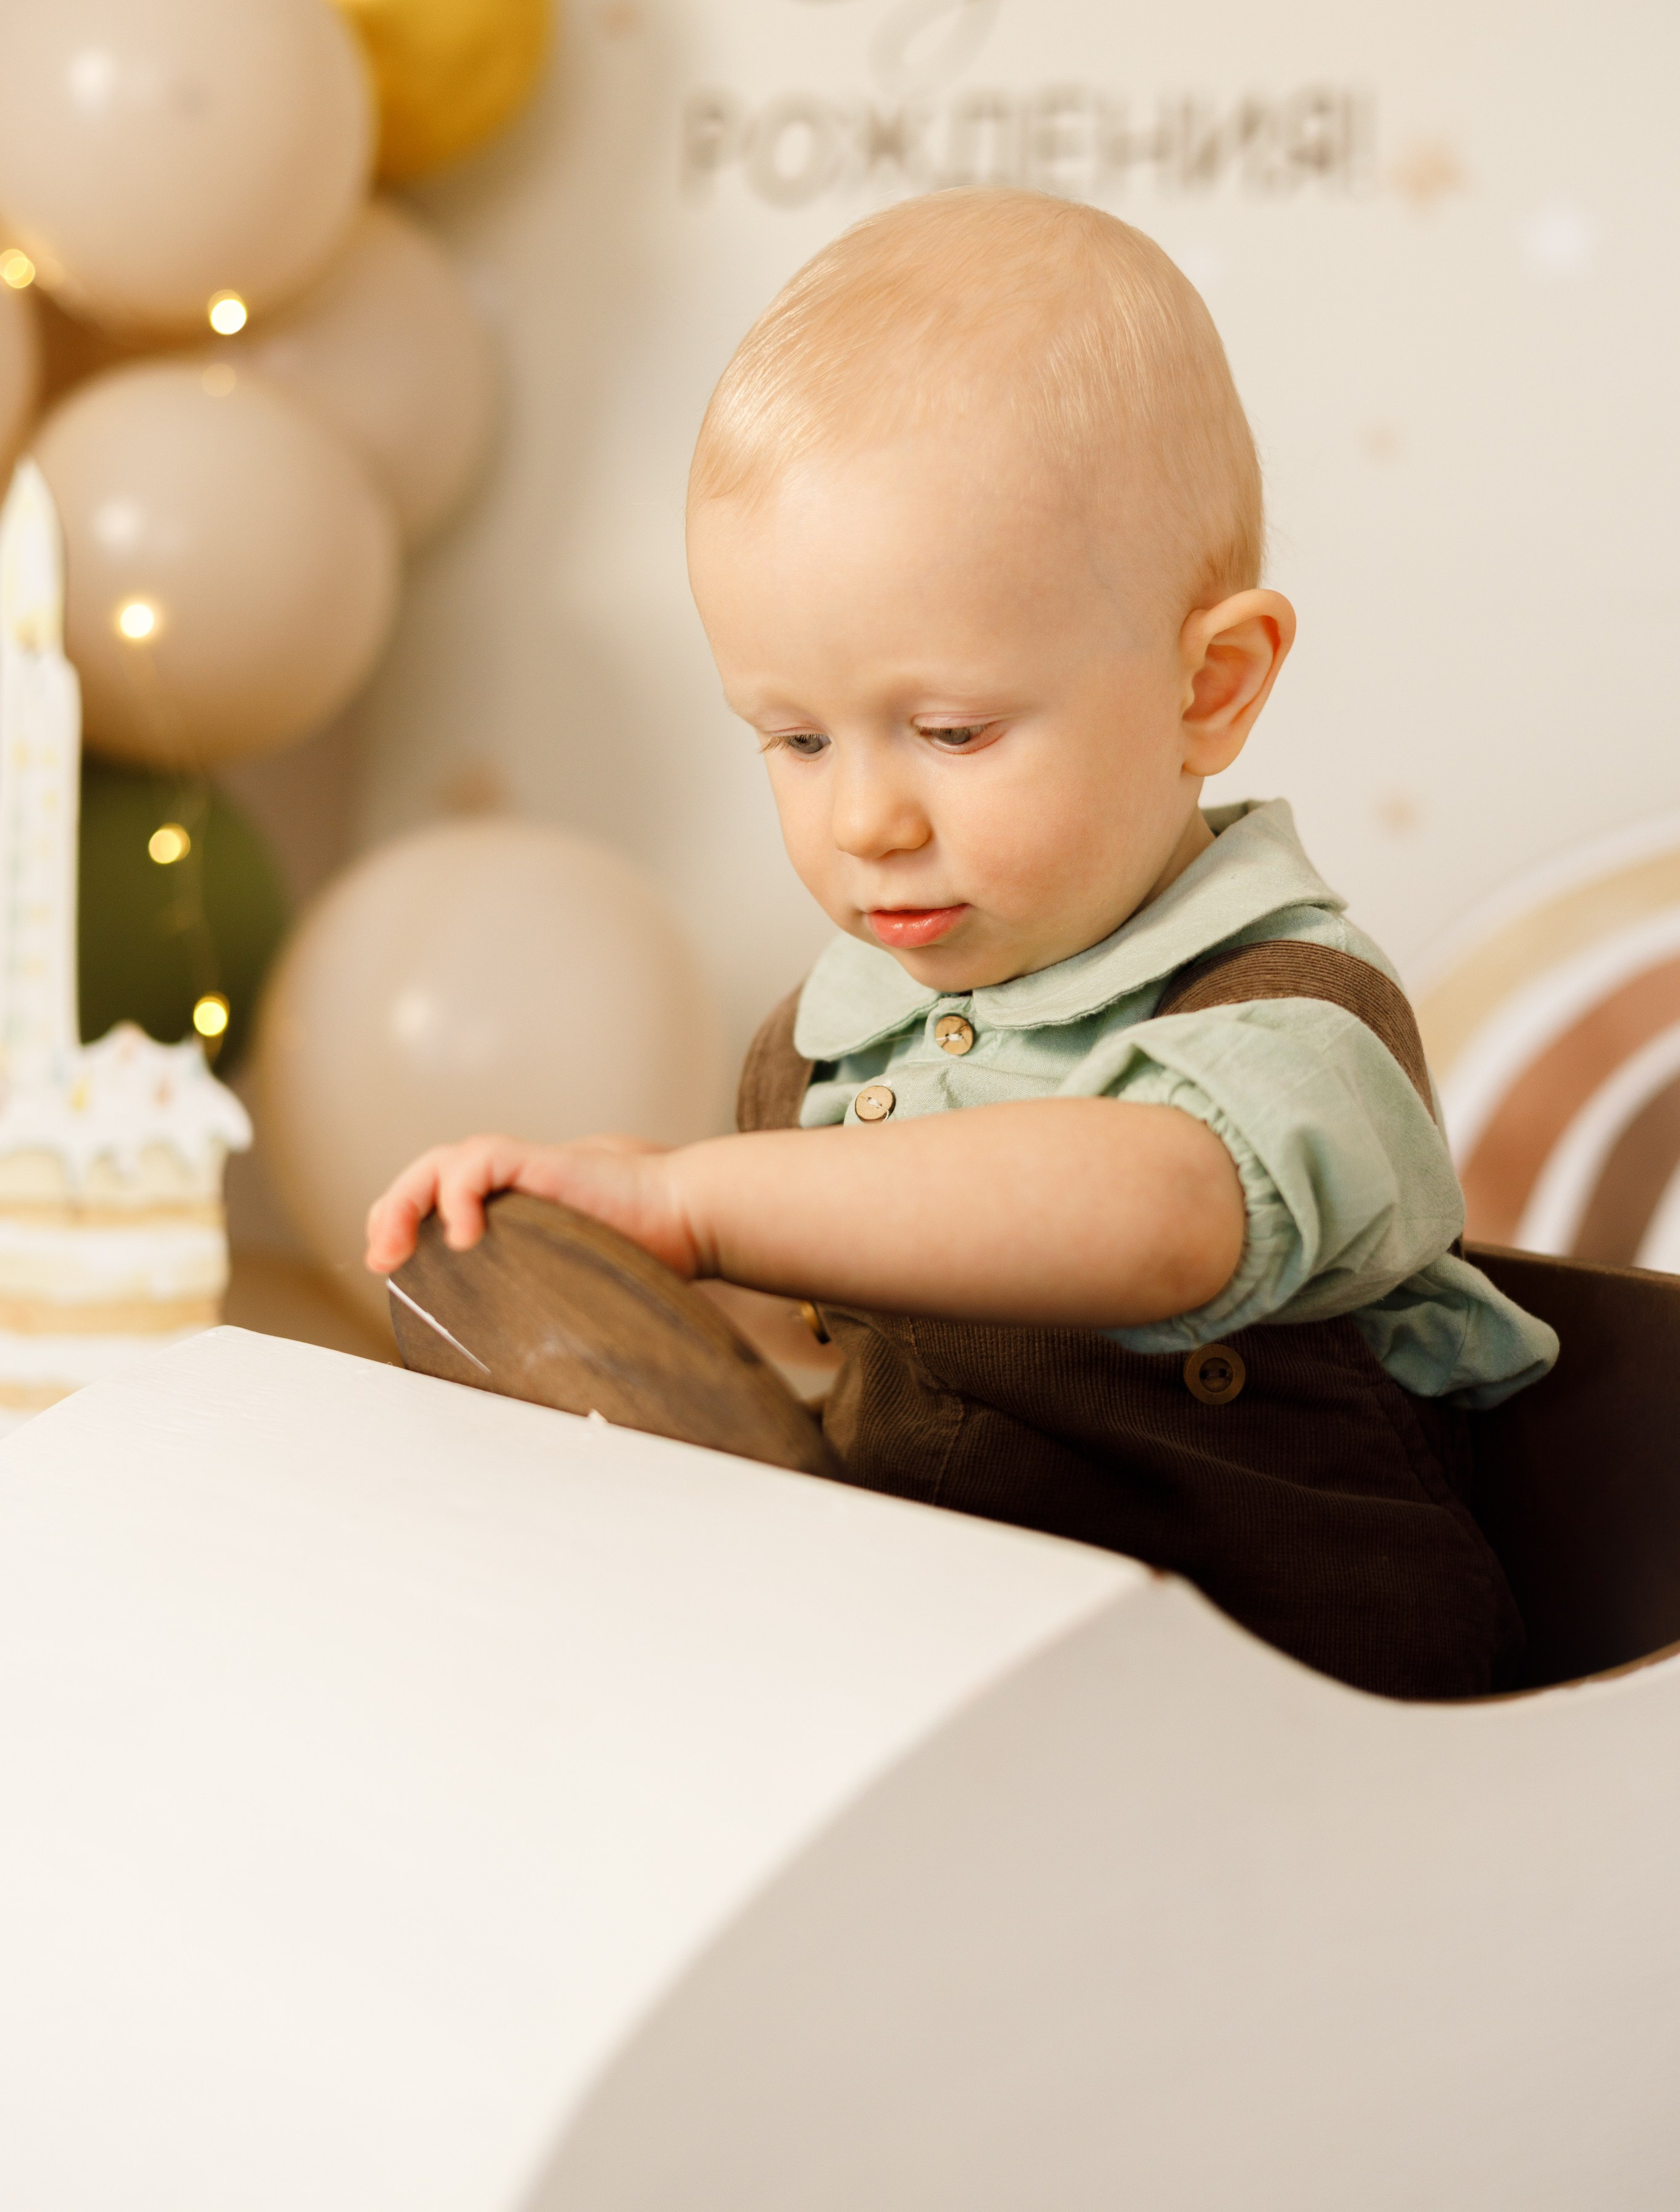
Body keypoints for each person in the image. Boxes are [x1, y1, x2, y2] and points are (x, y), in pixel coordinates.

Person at [366, 188, 1555, 1700]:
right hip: (932, 1691)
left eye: (950, 730)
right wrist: (610, 1255)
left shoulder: (1292, 1013)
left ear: (1210, 688)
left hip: (1291, 1727)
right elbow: (815, 1368)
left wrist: (702, 1203)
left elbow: (1155, 1213)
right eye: (791, 738)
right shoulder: (826, 1041)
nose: (863, 818)